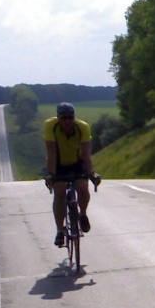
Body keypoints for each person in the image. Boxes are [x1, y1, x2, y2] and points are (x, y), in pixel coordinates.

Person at [44, 102, 95, 247]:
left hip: (77, 162)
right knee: (59, 193)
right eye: (63, 118)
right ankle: (60, 231)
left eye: (70, 117)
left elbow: (86, 154)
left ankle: (82, 214)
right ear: (58, 117)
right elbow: (51, 153)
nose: (67, 121)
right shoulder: (50, 125)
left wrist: (91, 173)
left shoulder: (83, 127)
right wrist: (51, 174)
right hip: (58, 163)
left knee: (83, 188)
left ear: (74, 117)